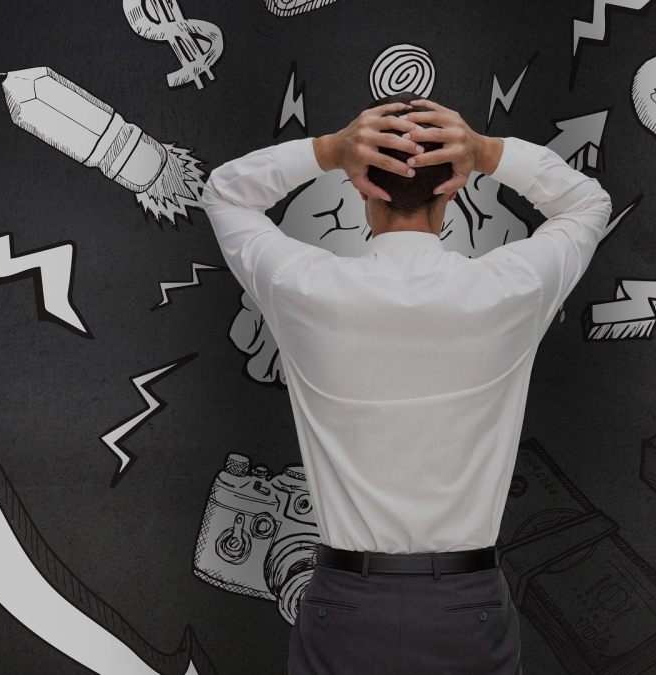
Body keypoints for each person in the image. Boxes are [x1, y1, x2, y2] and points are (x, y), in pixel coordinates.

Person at [200, 91, 613, 675]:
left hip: (344, 605)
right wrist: (488, 151)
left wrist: (329, 149)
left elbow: (224, 192)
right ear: (453, 187)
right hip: (466, 607)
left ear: (362, 186)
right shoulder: (507, 289)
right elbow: (587, 204)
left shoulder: (307, 288)